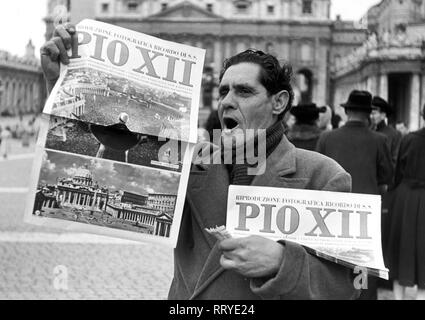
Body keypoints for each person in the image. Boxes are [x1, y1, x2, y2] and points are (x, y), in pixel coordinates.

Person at [41, 25, 358, 300]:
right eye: (224, 91)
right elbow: (104, 177)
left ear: (279, 102)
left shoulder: (325, 176)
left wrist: (283, 262)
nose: (227, 101)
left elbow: (349, 284)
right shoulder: (190, 163)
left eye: (244, 91)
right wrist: (63, 87)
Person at [316, 90, 394, 300]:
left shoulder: (327, 138)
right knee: (364, 264)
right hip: (365, 215)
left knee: (332, 262)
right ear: (368, 114)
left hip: (331, 212)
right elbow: (387, 180)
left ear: (347, 110)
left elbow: (318, 176)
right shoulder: (380, 140)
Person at [385, 106, 425, 300]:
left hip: (406, 198)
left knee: (401, 248)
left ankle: (398, 298)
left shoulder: (409, 139)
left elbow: (398, 171)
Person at [371, 96, 402, 168]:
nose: (371, 116)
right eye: (370, 113)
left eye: (374, 113)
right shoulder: (367, 131)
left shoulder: (395, 135)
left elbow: (395, 162)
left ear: (383, 115)